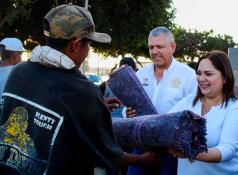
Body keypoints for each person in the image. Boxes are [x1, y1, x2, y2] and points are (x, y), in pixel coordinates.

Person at [0, 4, 156, 175]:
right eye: (89, 44)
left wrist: (99, 105)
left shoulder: (18, 71)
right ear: (76, 44)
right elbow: (109, 155)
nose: (89, 50)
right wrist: (145, 158)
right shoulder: (83, 92)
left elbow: (50, 102)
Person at [127, 27, 197, 175]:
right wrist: (127, 112)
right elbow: (128, 106)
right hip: (143, 145)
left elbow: (195, 112)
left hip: (172, 149)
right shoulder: (141, 74)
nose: (154, 51)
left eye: (159, 46)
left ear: (173, 47)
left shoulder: (188, 75)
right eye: (151, 47)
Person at [167, 50, 238, 175]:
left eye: (208, 74)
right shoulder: (188, 102)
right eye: (199, 73)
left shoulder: (235, 108)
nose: (201, 79)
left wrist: (189, 151)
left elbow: (226, 151)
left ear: (225, 78)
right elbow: (164, 123)